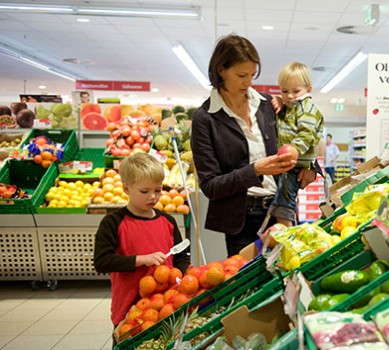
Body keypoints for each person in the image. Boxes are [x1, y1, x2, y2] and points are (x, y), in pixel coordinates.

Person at [191, 34, 316, 256]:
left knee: (284, 278)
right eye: (241, 75)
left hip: (279, 208)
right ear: (221, 70)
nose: (248, 82)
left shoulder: (268, 105)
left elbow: (302, 133)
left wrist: (311, 167)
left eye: (252, 75)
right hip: (240, 220)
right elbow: (210, 185)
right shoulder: (205, 119)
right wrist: (256, 170)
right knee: (248, 283)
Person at [93, 152, 190, 346]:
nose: (153, 196)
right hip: (128, 308)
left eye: (158, 190)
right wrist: (140, 260)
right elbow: (102, 262)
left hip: (166, 305)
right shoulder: (113, 222)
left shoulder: (168, 221)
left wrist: (183, 275)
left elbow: (180, 257)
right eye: (144, 191)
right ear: (126, 189)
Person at [268, 62, 324, 226]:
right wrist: (278, 100)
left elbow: (306, 134)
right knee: (283, 195)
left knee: (285, 196)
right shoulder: (290, 108)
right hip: (288, 161)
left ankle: (286, 229)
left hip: (296, 162)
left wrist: (293, 150)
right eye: (284, 91)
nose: (290, 96)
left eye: (296, 91)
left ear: (309, 89)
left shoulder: (306, 109)